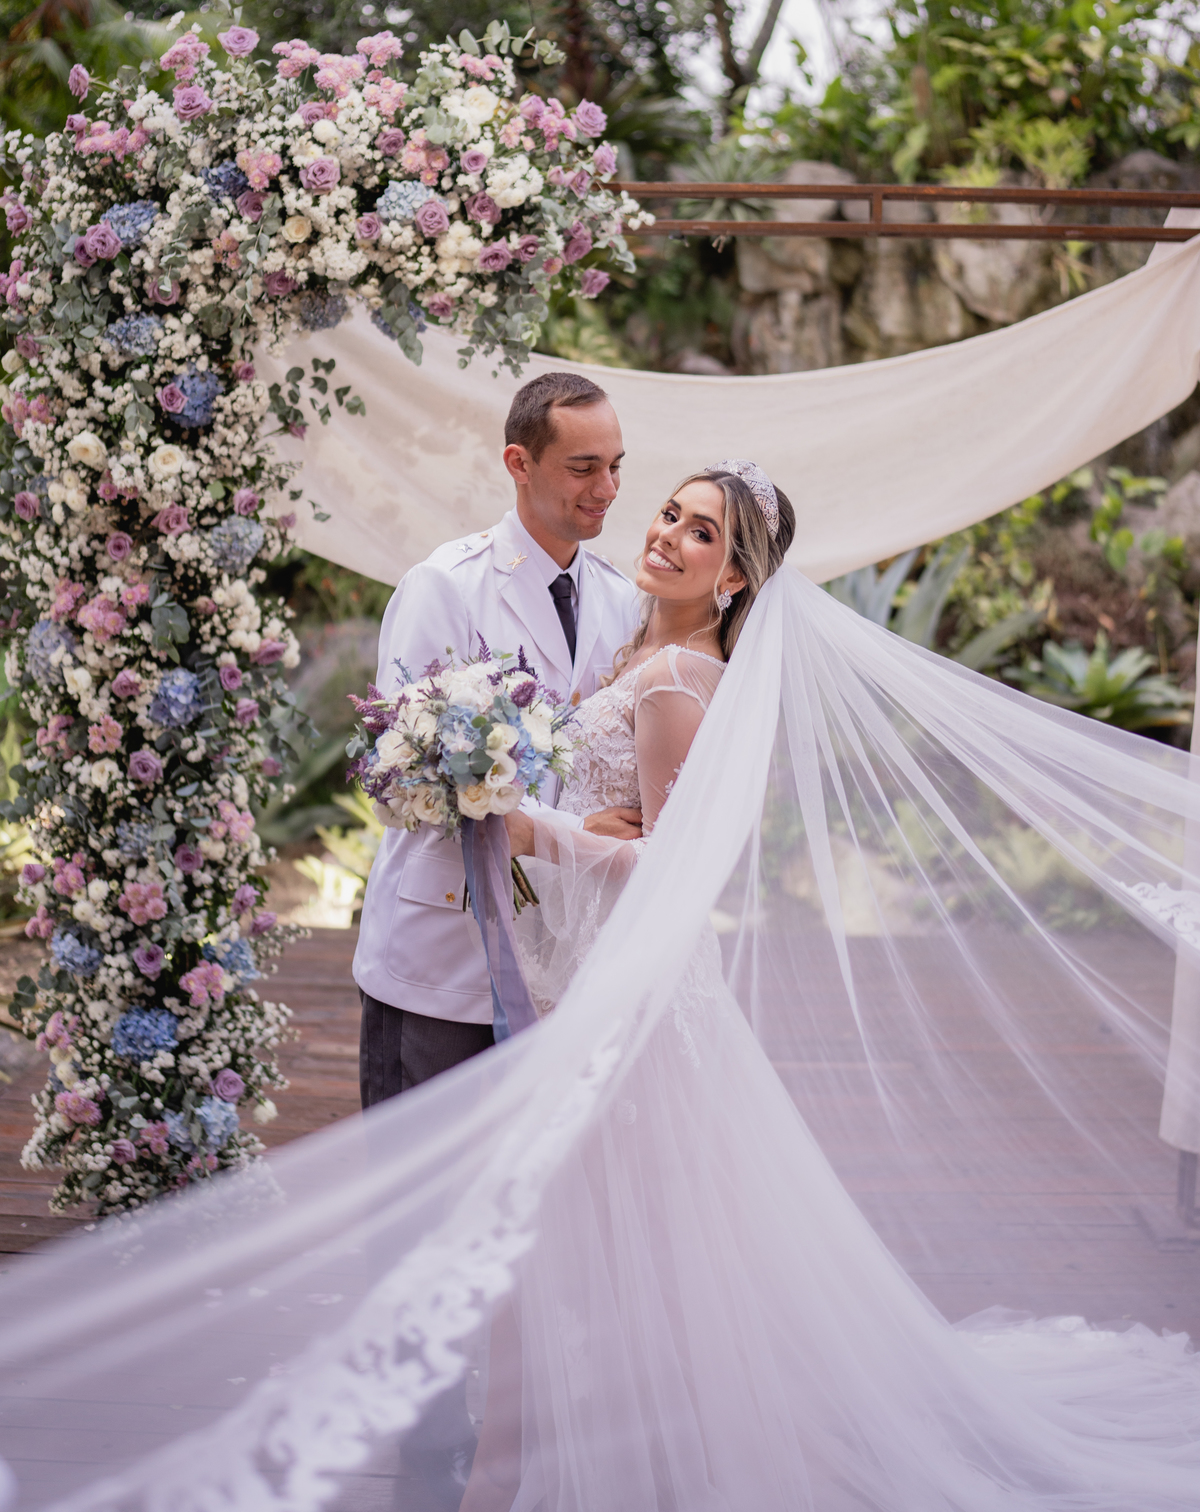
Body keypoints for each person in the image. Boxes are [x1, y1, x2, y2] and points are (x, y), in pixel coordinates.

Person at [7, 464, 1200, 1512]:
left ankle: (583, 1460)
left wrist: (539, 830)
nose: (668, 535)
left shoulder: (679, 675)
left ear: (736, 578)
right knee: (588, 1232)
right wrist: (541, 805)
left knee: (605, 1228)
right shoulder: (630, 644)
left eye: (702, 533)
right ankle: (549, 1447)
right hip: (570, 967)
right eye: (670, 512)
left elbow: (683, 862)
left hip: (628, 993)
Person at [353, 371, 641, 1106]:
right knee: (419, 1170)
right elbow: (403, 777)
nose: (607, 489)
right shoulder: (445, 585)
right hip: (443, 952)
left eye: (616, 466)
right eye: (584, 468)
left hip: (562, 957)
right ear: (519, 462)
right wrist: (573, 834)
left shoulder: (622, 599)